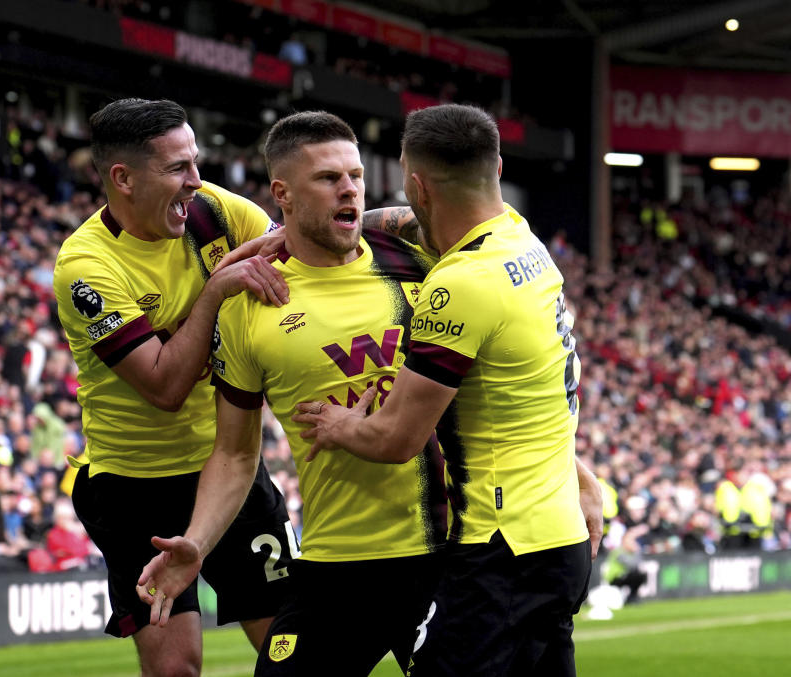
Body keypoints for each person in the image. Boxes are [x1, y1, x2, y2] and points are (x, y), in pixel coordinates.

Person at [136, 110, 602, 676]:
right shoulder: (249, 305)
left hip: (448, 556)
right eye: (329, 179)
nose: (350, 189)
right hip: (340, 562)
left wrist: (576, 473)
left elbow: (511, 379)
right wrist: (197, 542)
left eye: (356, 175)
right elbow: (235, 453)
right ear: (282, 192)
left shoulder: (429, 261)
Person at [294, 103, 595, 677]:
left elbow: (397, 437)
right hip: (560, 538)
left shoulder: (460, 285)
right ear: (498, 168)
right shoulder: (520, 239)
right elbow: (405, 224)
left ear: (417, 184)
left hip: (503, 549)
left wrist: (339, 425)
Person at [52, 98, 294, 677]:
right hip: (135, 489)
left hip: (227, 470)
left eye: (195, 161)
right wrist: (215, 292)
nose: (196, 181)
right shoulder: (85, 266)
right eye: (178, 168)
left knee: (296, 649)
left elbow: (299, 254)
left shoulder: (215, 212)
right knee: (174, 671)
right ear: (123, 179)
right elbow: (163, 385)